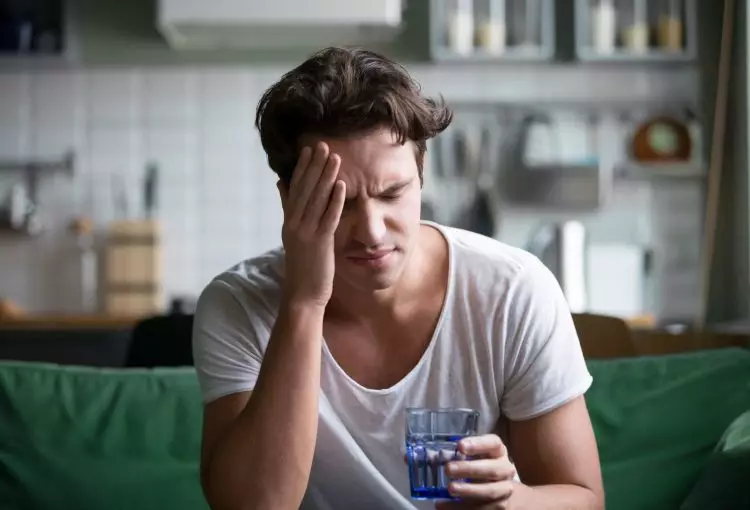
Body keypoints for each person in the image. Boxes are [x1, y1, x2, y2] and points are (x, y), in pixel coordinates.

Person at [192, 46, 604, 510]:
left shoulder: (513, 291)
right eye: (339, 202)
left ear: (421, 174)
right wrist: (304, 302)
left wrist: (512, 501)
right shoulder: (238, 304)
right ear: (289, 200)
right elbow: (254, 506)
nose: (371, 231)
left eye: (393, 193)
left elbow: (585, 499)